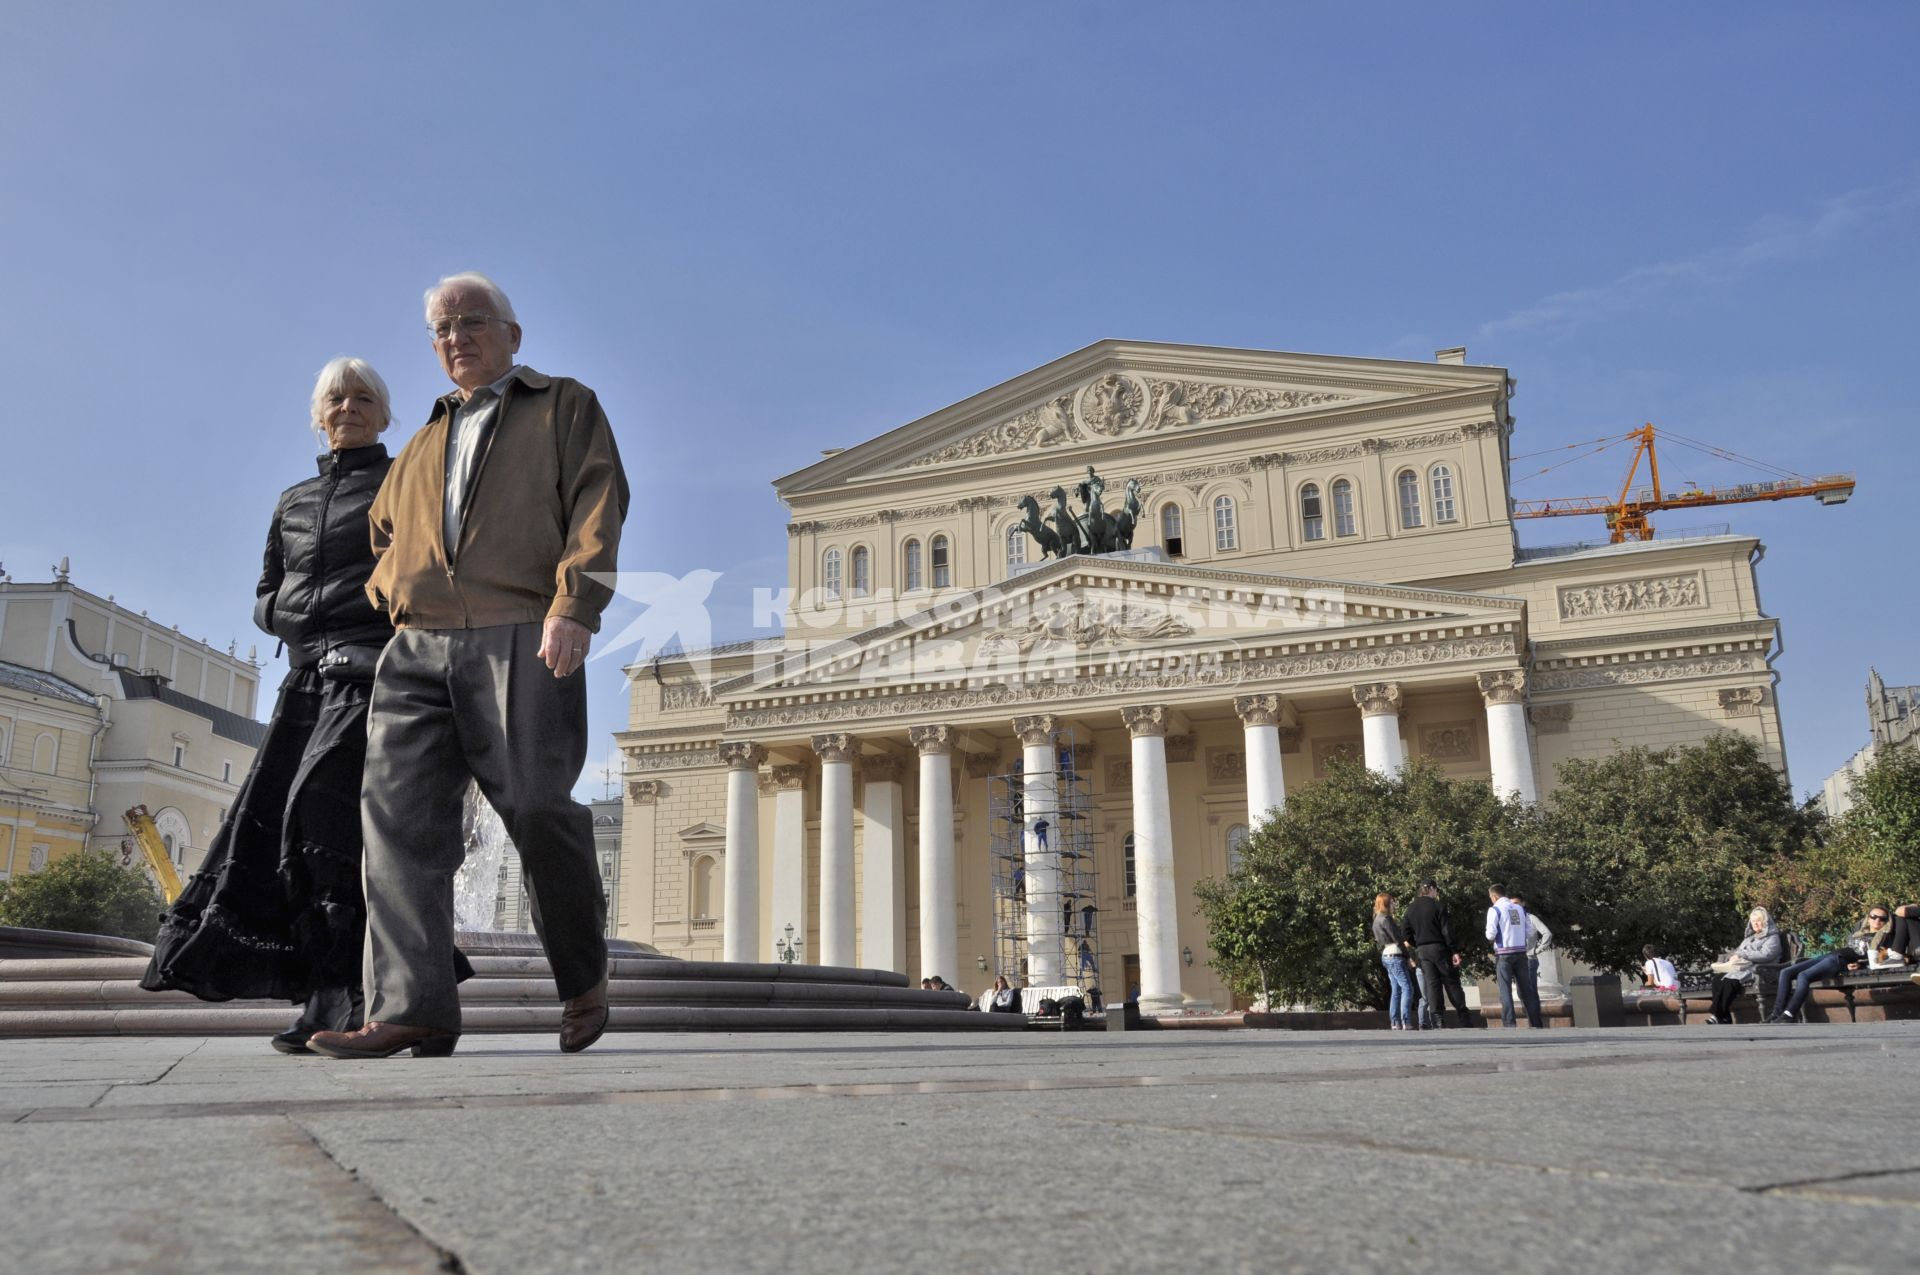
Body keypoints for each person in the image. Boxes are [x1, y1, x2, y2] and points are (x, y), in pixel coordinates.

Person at [310, 274, 629, 1060]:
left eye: (472, 321)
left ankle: (583, 976)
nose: (457, 337)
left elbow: (599, 500)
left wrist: (572, 606)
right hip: (417, 647)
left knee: (535, 805)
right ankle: (413, 1005)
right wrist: (396, 594)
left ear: (512, 335)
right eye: (443, 328)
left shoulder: (563, 405)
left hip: (523, 626)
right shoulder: (419, 442)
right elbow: (382, 534)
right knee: (396, 821)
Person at [142, 360, 434, 1051]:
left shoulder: (402, 483)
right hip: (304, 681)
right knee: (286, 838)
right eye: (337, 397)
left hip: (372, 678)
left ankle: (350, 999)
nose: (349, 407)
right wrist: (287, 612)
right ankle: (328, 997)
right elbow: (265, 589)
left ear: (385, 416)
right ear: (319, 412)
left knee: (321, 823)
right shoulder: (293, 499)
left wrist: (362, 619)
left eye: (365, 398)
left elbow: (423, 572)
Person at [1767, 908, 1889, 1023]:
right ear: (1868, 918)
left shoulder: (1883, 937)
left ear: (1886, 922)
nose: (1877, 920)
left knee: (1803, 976)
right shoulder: (1860, 933)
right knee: (1786, 972)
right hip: (1829, 956)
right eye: (1874, 916)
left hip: (1838, 960)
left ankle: (1789, 1014)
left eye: (1882, 918)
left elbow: (1879, 957)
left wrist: (1860, 965)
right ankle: (1776, 1014)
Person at [1403, 881, 1472, 1028]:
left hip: (1422, 951)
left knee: (1432, 984)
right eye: (1436, 891)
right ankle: (1463, 1015)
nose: (1437, 894)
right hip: (1439, 948)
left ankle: (1438, 1018)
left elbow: (1406, 934)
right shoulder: (1438, 906)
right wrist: (1454, 950)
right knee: (1451, 982)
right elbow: (1447, 931)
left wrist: (1418, 943)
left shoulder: (1410, 909)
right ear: (1432, 890)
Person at [1704, 907, 1783, 1024]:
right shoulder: (1749, 938)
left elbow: (1766, 955)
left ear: (1765, 922)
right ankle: (1725, 1017)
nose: (1755, 924)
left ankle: (1717, 1015)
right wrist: (1730, 957)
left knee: (1730, 981)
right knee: (1717, 979)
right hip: (1742, 968)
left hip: (1761, 969)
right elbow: (1738, 951)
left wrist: (1743, 954)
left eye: (1758, 921)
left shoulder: (1772, 937)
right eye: (1753, 921)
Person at [1486, 884, 1544, 1030]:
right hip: (1521, 953)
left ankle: (1510, 1023)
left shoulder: (1495, 910)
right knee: (1527, 990)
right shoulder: (1520, 909)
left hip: (1503, 954)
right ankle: (1536, 1023)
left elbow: (1490, 934)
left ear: (1494, 896)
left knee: (1505, 990)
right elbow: (1531, 932)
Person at [1370, 893, 1415, 1030]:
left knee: (1396, 989)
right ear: (1386, 904)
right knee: (1407, 988)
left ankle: (1395, 1021)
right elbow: (1398, 940)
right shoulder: (1386, 919)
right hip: (1396, 955)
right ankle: (1405, 1021)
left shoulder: (1376, 920)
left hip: (1386, 954)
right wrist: (1409, 957)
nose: (1394, 905)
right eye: (1392, 902)